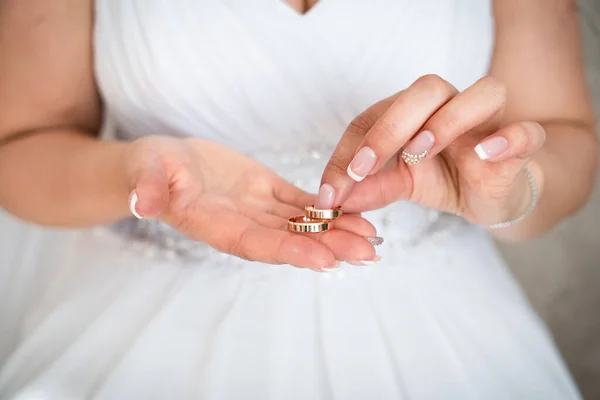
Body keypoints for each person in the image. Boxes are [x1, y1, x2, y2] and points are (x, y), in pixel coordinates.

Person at [0, 0, 596, 398]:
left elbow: (566, 135)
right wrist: (134, 173)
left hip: (452, 333)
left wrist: (511, 188)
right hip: (136, 332)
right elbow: (20, 148)